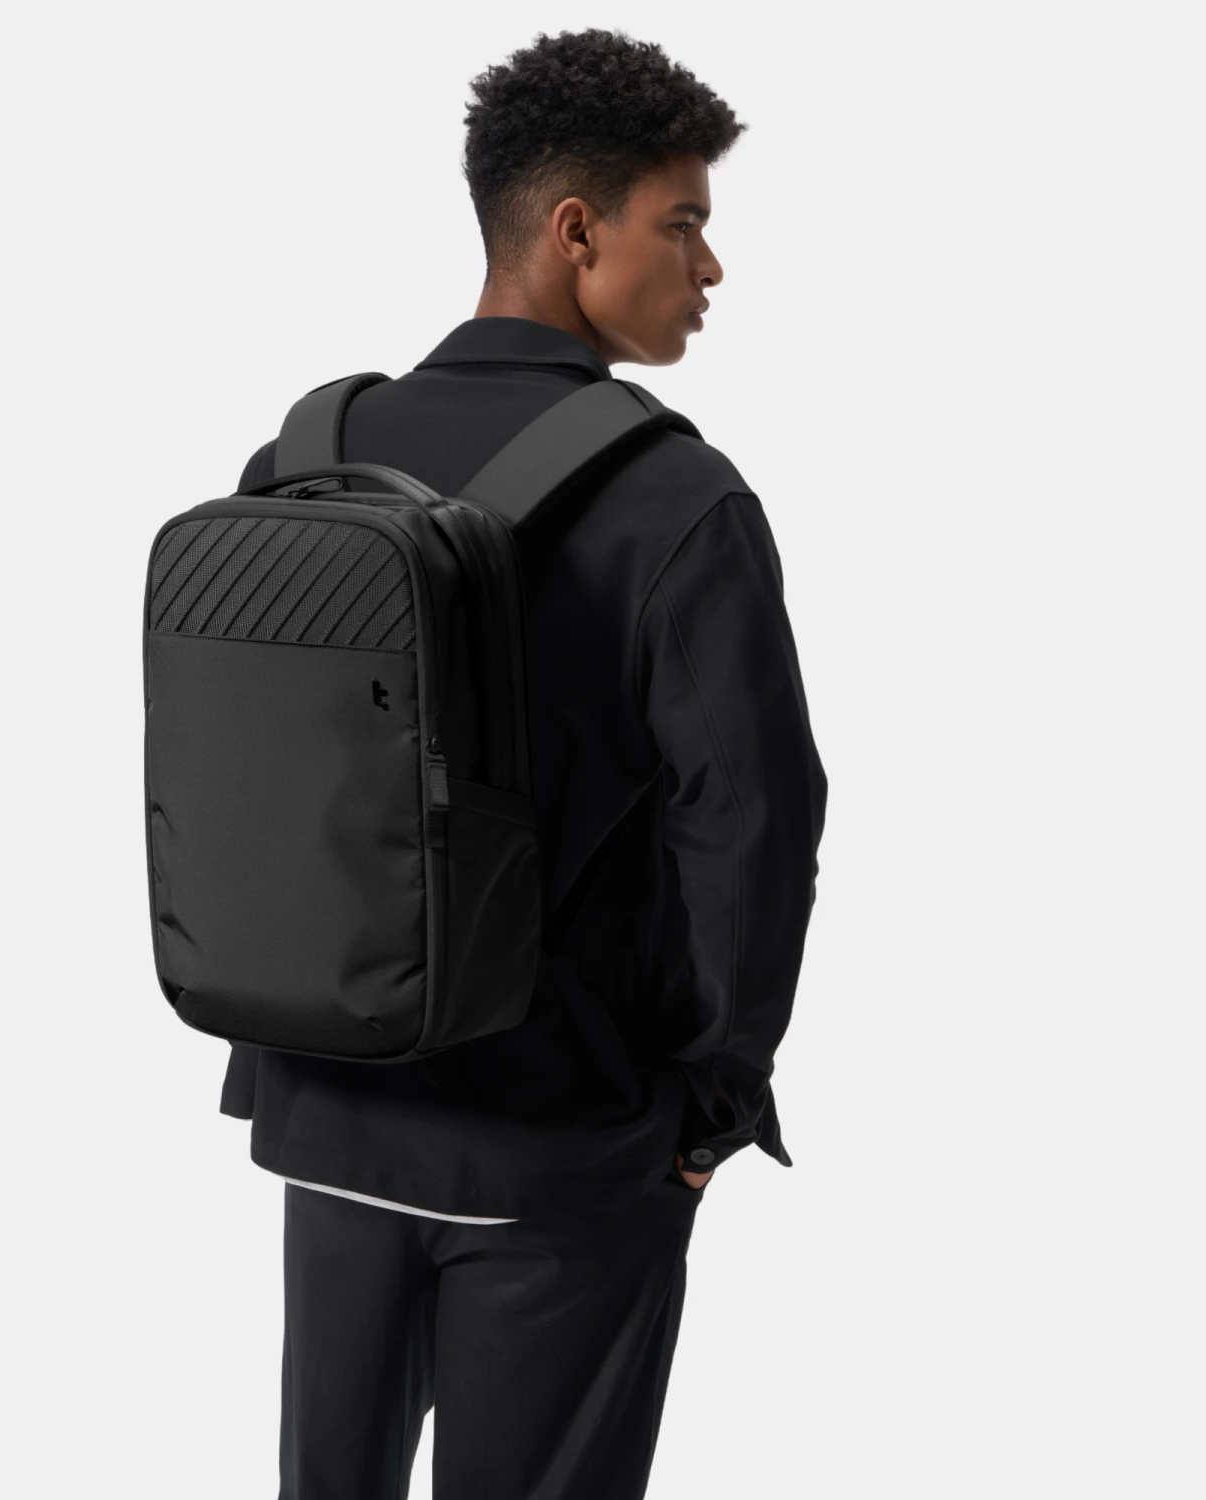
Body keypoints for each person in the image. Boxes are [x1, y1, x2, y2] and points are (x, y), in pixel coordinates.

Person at [219, 28, 828, 1500]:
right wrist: (711, 1107)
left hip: (330, 1110)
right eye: (682, 222)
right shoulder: (676, 497)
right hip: (561, 1145)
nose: (710, 265)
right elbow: (754, 822)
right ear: (575, 231)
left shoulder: (303, 458)